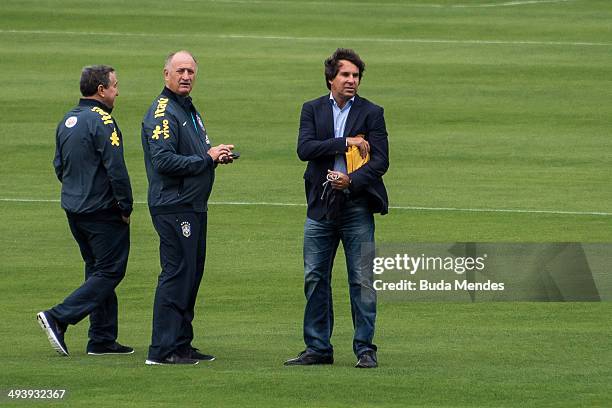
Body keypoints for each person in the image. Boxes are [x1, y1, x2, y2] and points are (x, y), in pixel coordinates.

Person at [285, 48, 389, 369]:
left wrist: (351, 180)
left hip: (356, 205)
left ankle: (365, 348)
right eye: (345, 75)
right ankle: (318, 348)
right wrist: (346, 142)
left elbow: (381, 161)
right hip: (320, 206)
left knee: (362, 279)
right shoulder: (312, 109)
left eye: (356, 76)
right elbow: (305, 149)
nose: (351, 81)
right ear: (331, 78)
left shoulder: (372, 113)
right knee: (315, 277)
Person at [142, 50, 235, 365]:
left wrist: (213, 156)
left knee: (191, 275)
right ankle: (162, 350)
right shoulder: (163, 112)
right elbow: (164, 160)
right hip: (174, 205)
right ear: (166, 73)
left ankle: (181, 344)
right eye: (180, 70)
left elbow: (192, 153)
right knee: (177, 273)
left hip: (192, 204)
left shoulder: (187, 108)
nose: (186, 76)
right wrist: (206, 158)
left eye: (191, 71)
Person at [37, 65, 134, 357]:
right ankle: (59, 317)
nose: (118, 91)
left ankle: (102, 339)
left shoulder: (67, 119)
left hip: (74, 209)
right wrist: (125, 205)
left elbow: (59, 166)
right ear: (101, 90)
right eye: (115, 85)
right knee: (110, 271)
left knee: (96, 270)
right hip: (102, 212)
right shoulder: (103, 121)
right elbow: (116, 169)